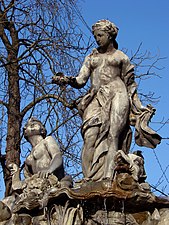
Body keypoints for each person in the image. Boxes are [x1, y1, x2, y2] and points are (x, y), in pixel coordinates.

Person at [52, 20, 161, 182]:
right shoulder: (91, 57)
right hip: (95, 97)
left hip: (118, 94)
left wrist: (139, 107)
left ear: (110, 36)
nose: (97, 39)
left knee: (113, 135)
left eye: (100, 35)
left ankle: (108, 177)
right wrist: (66, 80)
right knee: (89, 136)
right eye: (95, 36)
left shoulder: (121, 57)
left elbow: (131, 86)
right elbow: (80, 80)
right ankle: (88, 176)